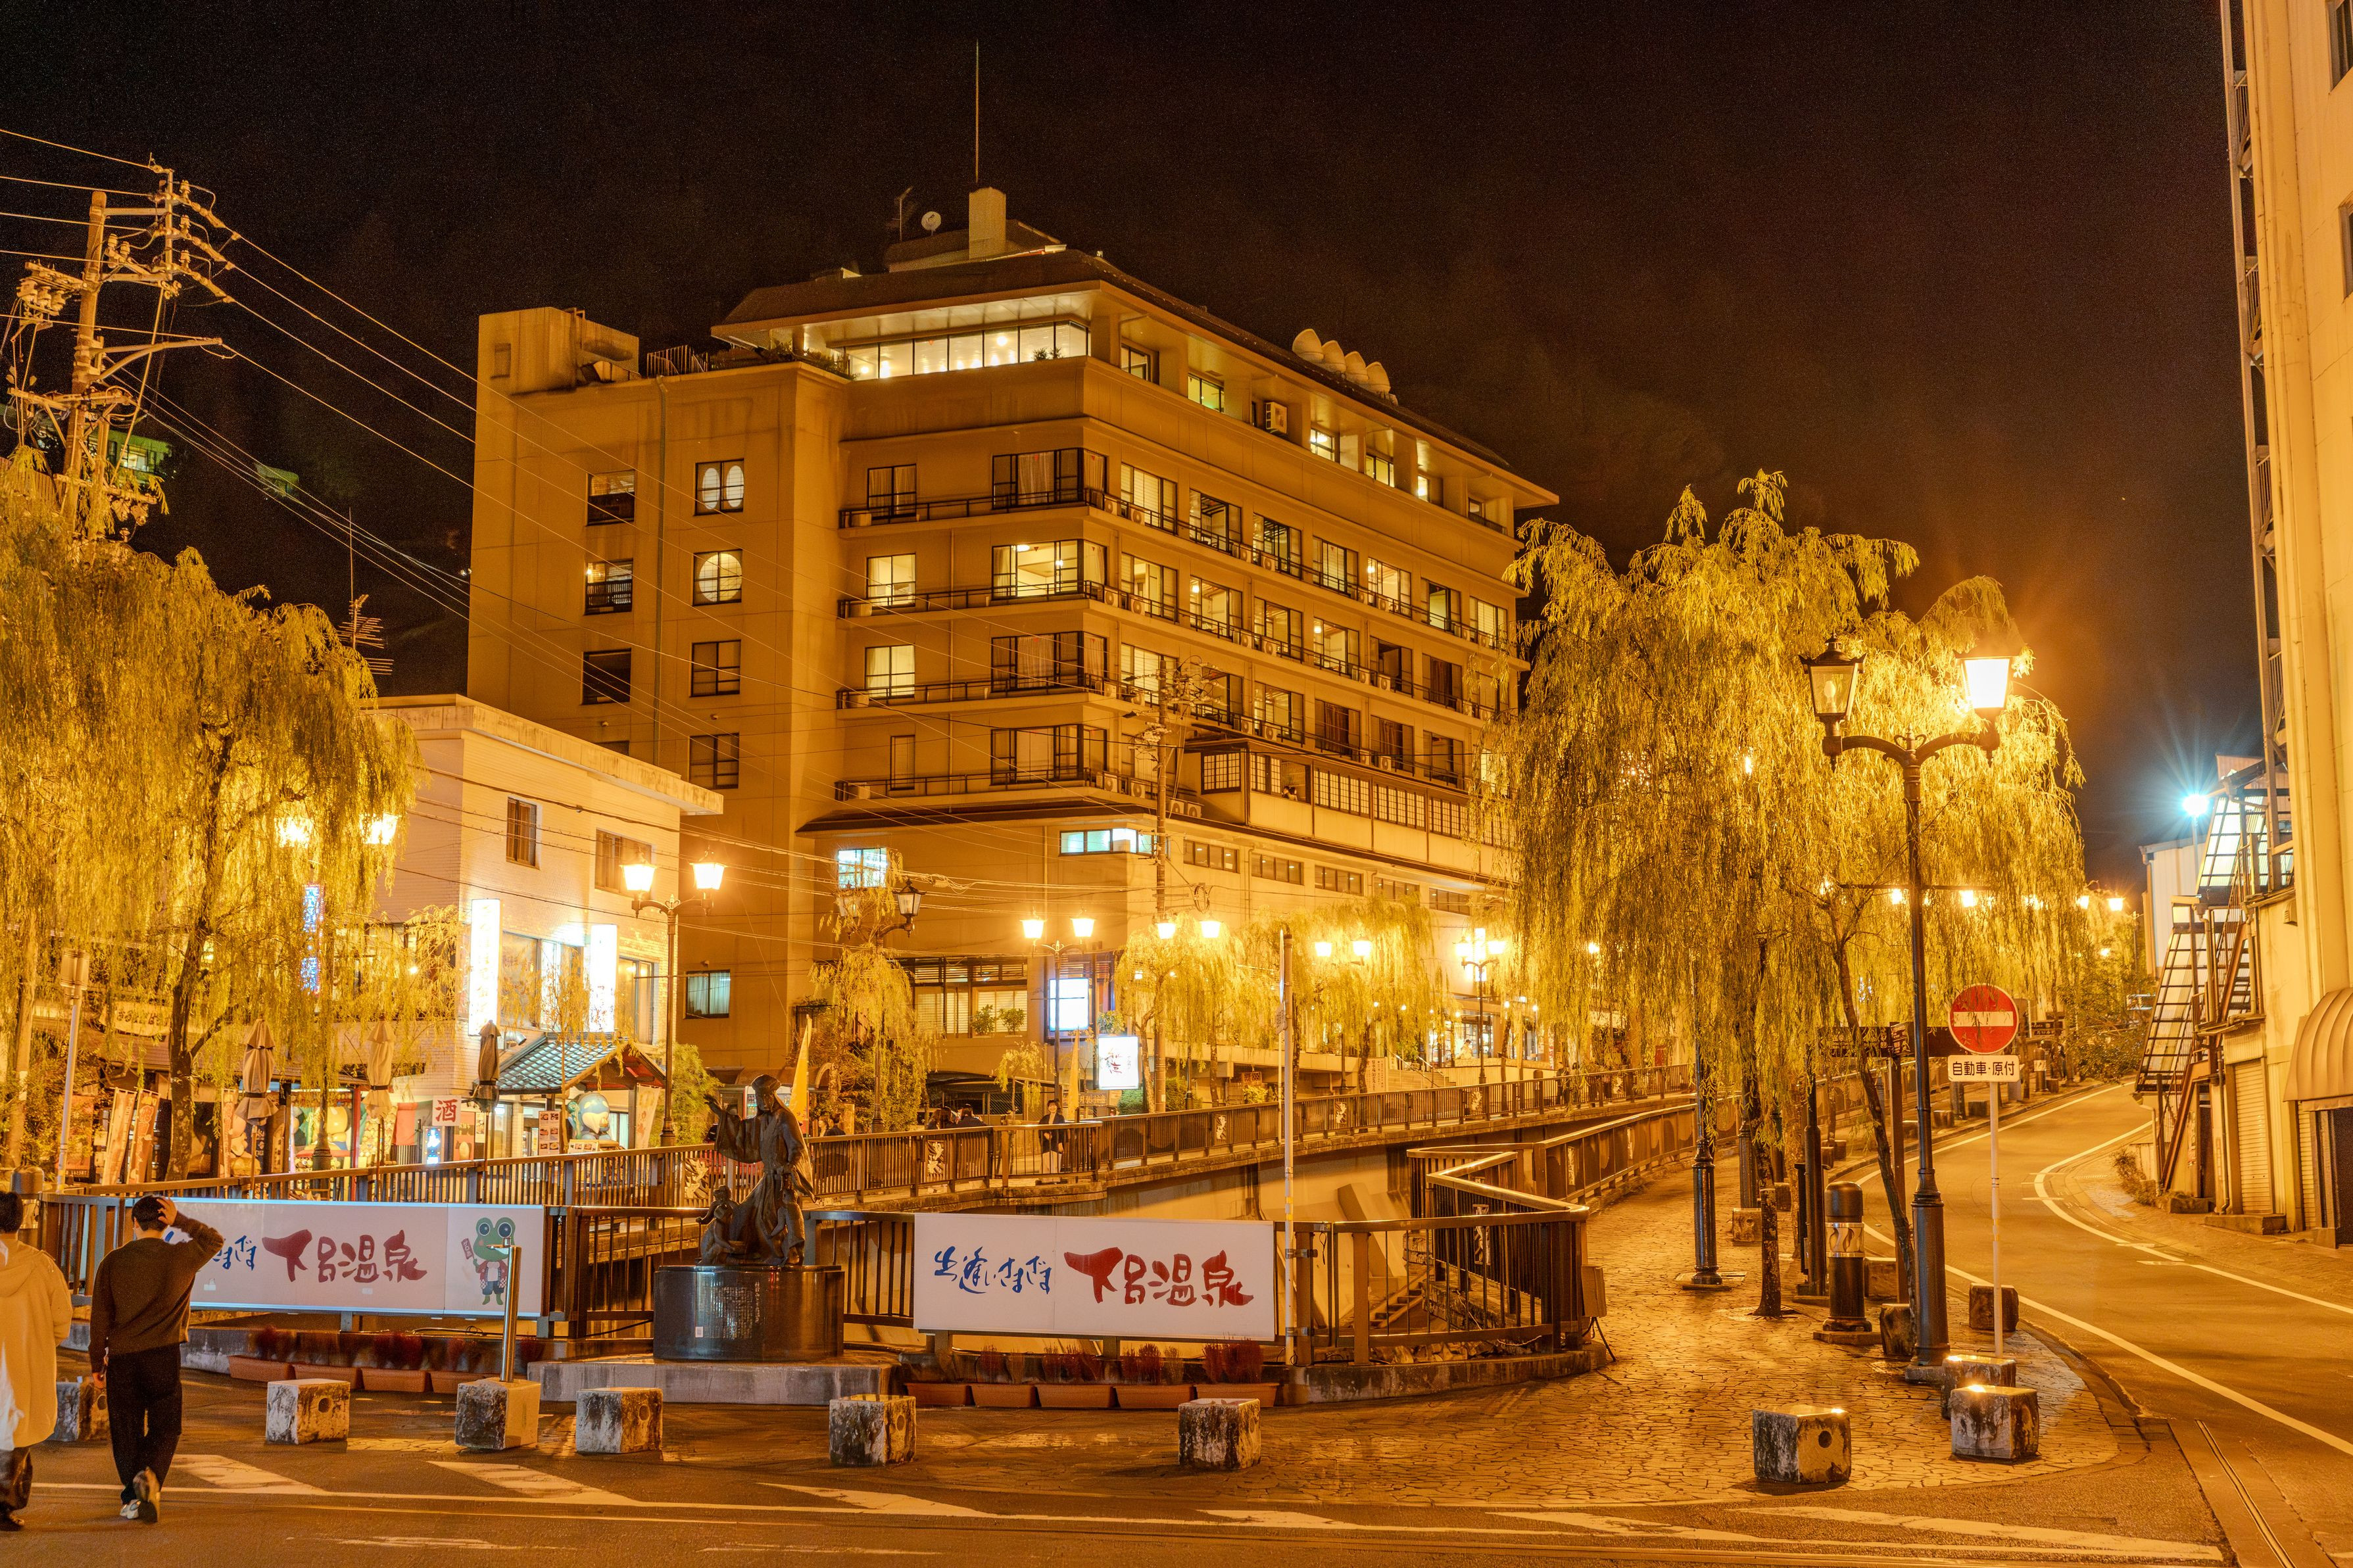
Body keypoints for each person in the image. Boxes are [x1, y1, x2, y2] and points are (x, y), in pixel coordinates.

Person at [87, 1195, 222, 1524]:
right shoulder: (182, 1256)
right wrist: (182, 1221)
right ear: (165, 1224)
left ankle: (133, 1495)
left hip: (123, 1359)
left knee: (126, 1429)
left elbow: (100, 1317)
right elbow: (214, 1241)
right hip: (164, 1355)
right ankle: (150, 1475)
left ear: (134, 1223)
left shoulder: (113, 1262)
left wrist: (97, 1363)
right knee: (166, 1425)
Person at [0, 1192, 70, 1530]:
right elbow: (62, 1321)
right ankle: (5, 1506)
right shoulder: (42, 1266)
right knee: (17, 1437)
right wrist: (39, 1343)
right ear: (22, 1220)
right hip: (25, 1368)